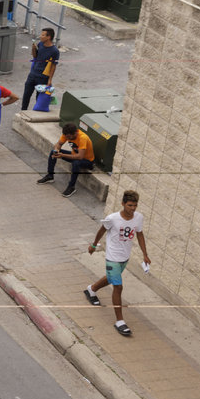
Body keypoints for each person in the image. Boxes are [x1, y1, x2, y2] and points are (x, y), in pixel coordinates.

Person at [85, 190, 151, 337]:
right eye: (130, 205)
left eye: (135, 205)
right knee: (118, 286)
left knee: (111, 278)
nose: (133, 208)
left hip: (124, 257)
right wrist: (94, 245)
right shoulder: (113, 218)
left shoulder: (138, 218)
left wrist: (145, 255)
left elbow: (139, 234)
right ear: (123, 204)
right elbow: (101, 231)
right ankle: (120, 321)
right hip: (112, 257)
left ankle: (91, 289)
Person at [38, 121, 95, 197]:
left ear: (75, 133)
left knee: (76, 163)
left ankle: (71, 187)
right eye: (66, 137)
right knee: (52, 152)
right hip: (75, 155)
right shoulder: (66, 134)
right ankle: (50, 176)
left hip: (87, 161)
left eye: (69, 137)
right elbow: (59, 144)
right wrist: (56, 151)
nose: (67, 139)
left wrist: (62, 155)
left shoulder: (82, 138)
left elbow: (80, 157)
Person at [22, 27, 59, 110]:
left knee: (39, 98)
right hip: (32, 74)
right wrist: (33, 49)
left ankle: (36, 113)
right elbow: (35, 56)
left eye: (42, 35)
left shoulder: (54, 51)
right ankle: (23, 111)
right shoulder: (40, 44)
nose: (40, 36)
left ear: (48, 37)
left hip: (43, 78)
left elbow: (53, 66)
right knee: (26, 95)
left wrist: (50, 80)